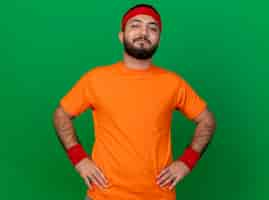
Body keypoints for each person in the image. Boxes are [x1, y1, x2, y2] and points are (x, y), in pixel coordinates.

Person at [52, 3, 217, 200]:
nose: (144, 32)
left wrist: (186, 162)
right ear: (121, 36)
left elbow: (207, 121)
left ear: (158, 39)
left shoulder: (174, 83)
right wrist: (79, 159)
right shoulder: (95, 79)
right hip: (103, 195)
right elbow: (61, 114)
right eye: (135, 25)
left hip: (158, 196)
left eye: (152, 28)